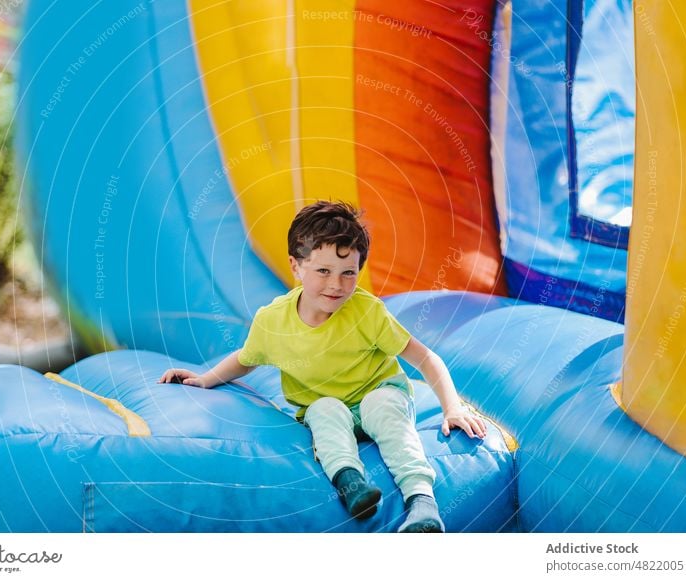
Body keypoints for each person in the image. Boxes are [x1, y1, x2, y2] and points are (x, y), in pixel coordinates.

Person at [158, 200, 486, 532]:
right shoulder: (273, 321)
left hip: (379, 394)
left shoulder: (367, 312)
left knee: (382, 404)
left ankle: (422, 503)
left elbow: (425, 357)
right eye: (323, 271)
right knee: (324, 408)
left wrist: (452, 408)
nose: (336, 285)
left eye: (349, 273)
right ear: (295, 266)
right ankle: (351, 482)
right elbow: (245, 359)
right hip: (328, 408)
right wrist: (204, 379)